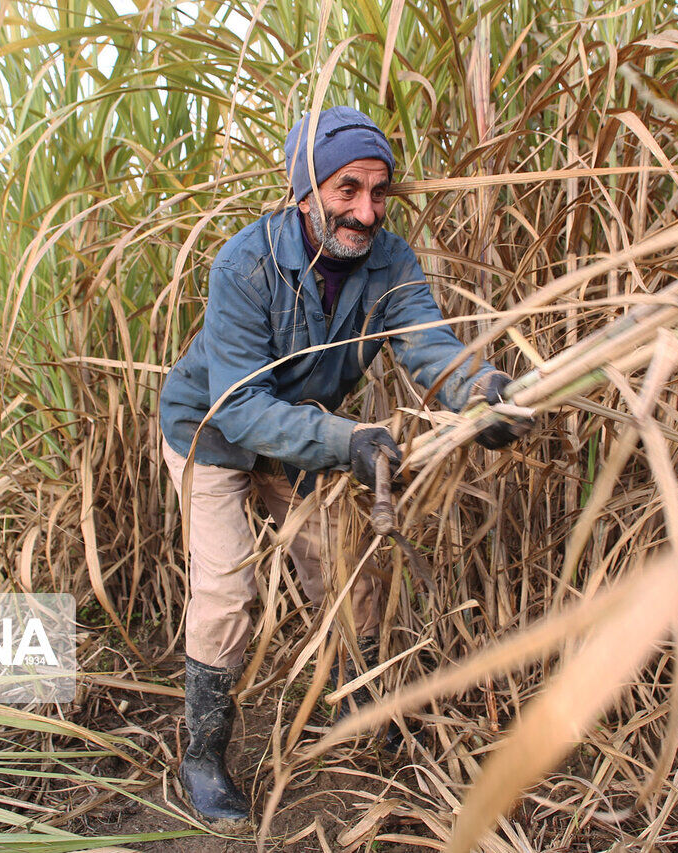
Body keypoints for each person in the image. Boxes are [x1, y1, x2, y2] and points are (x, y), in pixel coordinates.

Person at [157, 105, 531, 825]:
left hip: (301, 437)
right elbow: (239, 407)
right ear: (305, 191)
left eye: (379, 191)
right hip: (212, 433)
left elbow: (429, 344)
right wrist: (348, 442)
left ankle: (364, 696)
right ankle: (203, 755)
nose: (366, 210)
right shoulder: (244, 265)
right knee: (228, 591)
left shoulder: (388, 261)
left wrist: (483, 395)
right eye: (347, 190)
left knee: (344, 567)